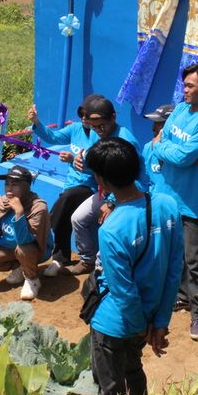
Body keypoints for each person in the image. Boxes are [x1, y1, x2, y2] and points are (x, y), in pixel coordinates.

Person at [85, 137, 183, 395]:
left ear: (101, 180)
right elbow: (174, 270)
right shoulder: (167, 206)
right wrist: (158, 323)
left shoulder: (112, 229)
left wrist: (142, 328)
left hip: (114, 323)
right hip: (149, 317)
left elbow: (123, 290)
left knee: (109, 392)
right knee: (133, 372)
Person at [149, 64, 198, 342]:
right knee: (168, 254)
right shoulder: (180, 109)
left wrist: (174, 152)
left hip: (192, 201)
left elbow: (180, 156)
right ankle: (178, 297)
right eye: (185, 84)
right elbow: (162, 142)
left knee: (195, 262)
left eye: (191, 86)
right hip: (165, 195)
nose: (185, 90)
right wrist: (172, 151)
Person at [68, 96, 144, 275]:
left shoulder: (126, 141)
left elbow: (135, 179)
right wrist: (80, 163)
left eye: (101, 126)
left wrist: (111, 203)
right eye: (93, 127)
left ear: (113, 117)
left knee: (109, 228)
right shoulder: (97, 134)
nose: (97, 131)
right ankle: (87, 260)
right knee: (77, 219)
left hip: (128, 196)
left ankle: (104, 270)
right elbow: (98, 167)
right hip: (107, 191)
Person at [28, 96, 99, 276]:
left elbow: (100, 169)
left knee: (65, 201)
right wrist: (36, 122)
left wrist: (74, 159)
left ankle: (45, 234)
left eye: (88, 114)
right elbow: (53, 137)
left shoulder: (101, 136)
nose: (84, 117)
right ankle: (61, 258)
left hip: (90, 186)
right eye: (81, 113)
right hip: (71, 186)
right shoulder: (75, 129)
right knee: (66, 205)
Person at [0, 165, 54, 301]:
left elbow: (25, 240)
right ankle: (21, 267)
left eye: (15, 184)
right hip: (9, 248)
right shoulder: (2, 203)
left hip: (34, 250)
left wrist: (19, 213)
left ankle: (32, 279)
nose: (9, 189)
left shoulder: (38, 208)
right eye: (7, 184)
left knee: (22, 249)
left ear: (26, 186)